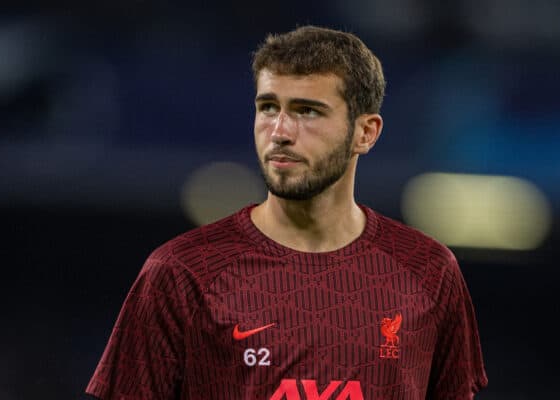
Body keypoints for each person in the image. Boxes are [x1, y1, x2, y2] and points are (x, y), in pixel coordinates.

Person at [85, 25, 488, 400]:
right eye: (267, 107)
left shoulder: (428, 271)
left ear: (365, 132)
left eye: (307, 111)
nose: (279, 131)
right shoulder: (182, 272)